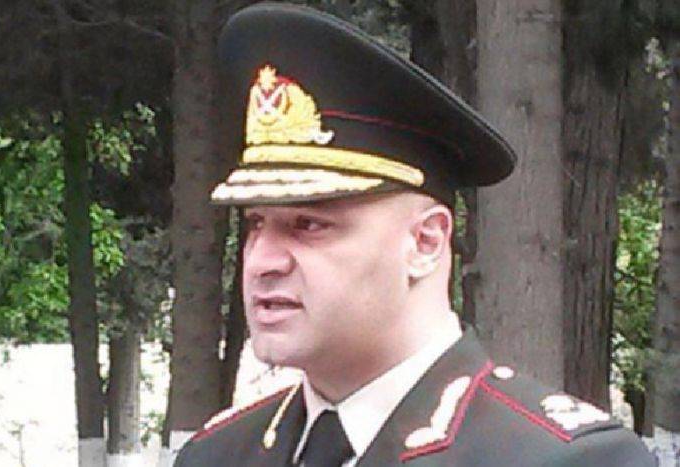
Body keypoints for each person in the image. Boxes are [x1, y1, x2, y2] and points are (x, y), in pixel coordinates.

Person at [174, 3, 655, 466]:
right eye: (256, 223)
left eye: (309, 225)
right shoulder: (215, 456)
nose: (262, 261)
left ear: (426, 243)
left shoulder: (565, 460)